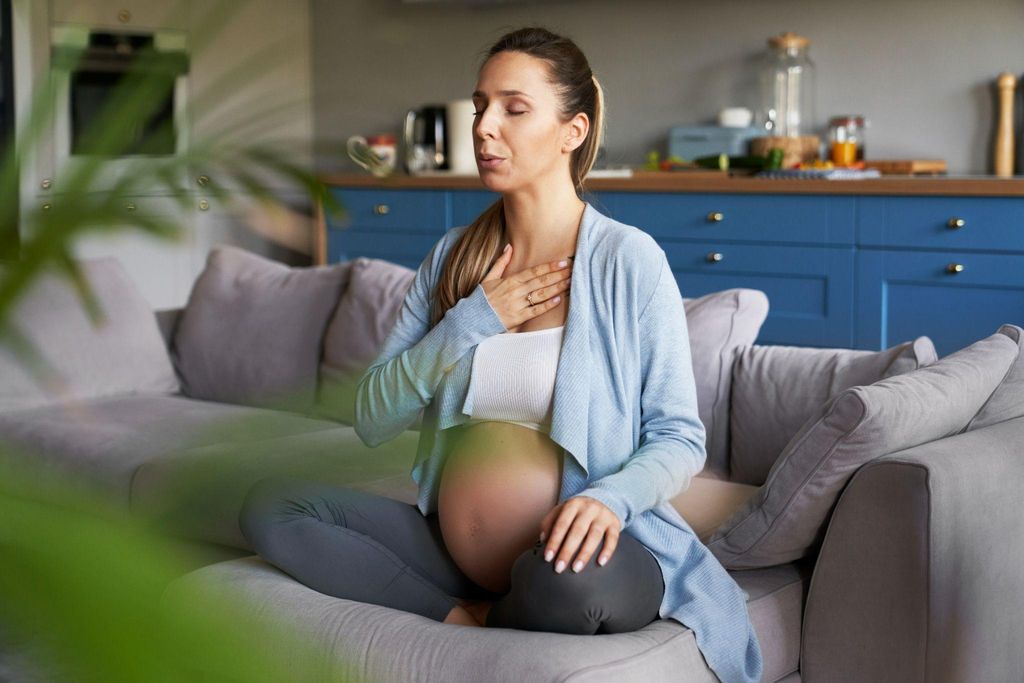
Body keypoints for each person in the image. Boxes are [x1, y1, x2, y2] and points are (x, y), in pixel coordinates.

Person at [238, 26, 762, 683]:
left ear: (573, 130)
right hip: (451, 553)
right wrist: (475, 318)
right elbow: (373, 417)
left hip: (584, 551)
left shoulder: (629, 261)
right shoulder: (454, 258)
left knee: (574, 590)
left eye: (514, 109)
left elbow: (679, 436)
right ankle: (464, 616)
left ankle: (512, 603)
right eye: (480, 105)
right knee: (270, 505)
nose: (485, 127)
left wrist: (611, 501)